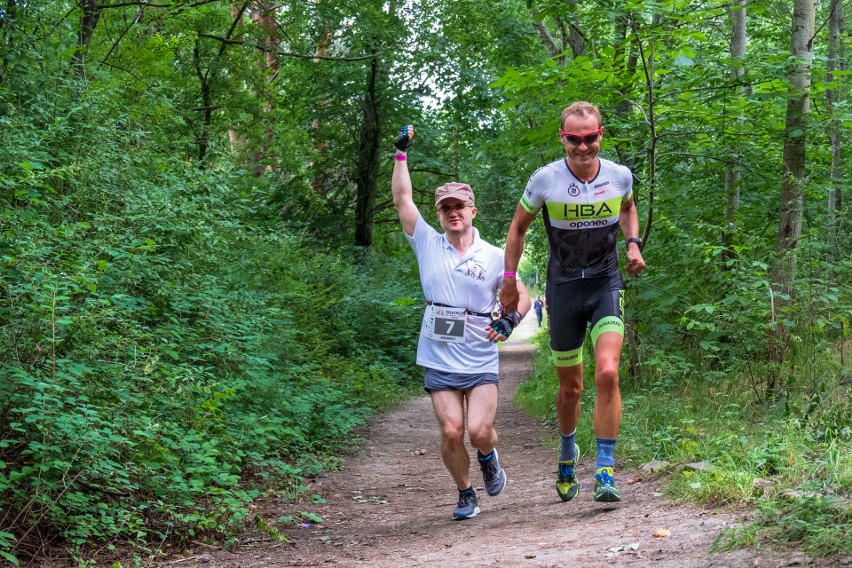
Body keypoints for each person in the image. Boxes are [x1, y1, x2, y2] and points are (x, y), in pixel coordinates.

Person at [499, 102, 646, 504]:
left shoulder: (619, 176)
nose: (583, 147)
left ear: (601, 134)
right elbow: (517, 229)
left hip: (604, 284)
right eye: (573, 139)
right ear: (562, 138)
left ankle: (604, 468)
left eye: (590, 138)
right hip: (563, 289)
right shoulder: (546, 180)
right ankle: (567, 453)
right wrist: (510, 282)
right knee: (571, 389)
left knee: (608, 372)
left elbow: (629, 209)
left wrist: (632, 243)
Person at [391, 124, 531, 521]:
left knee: (478, 432)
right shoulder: (426, 241)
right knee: (452, 430)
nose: (453, 213)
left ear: (472, 211)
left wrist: (511, 322)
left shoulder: (492, 254)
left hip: (479, 354)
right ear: (439, 214)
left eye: (459, 206)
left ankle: (489, 457)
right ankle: (465, 492)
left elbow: (523, 295)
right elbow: (402, 198)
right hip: (438, 352)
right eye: (445, 208)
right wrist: (401, 154)